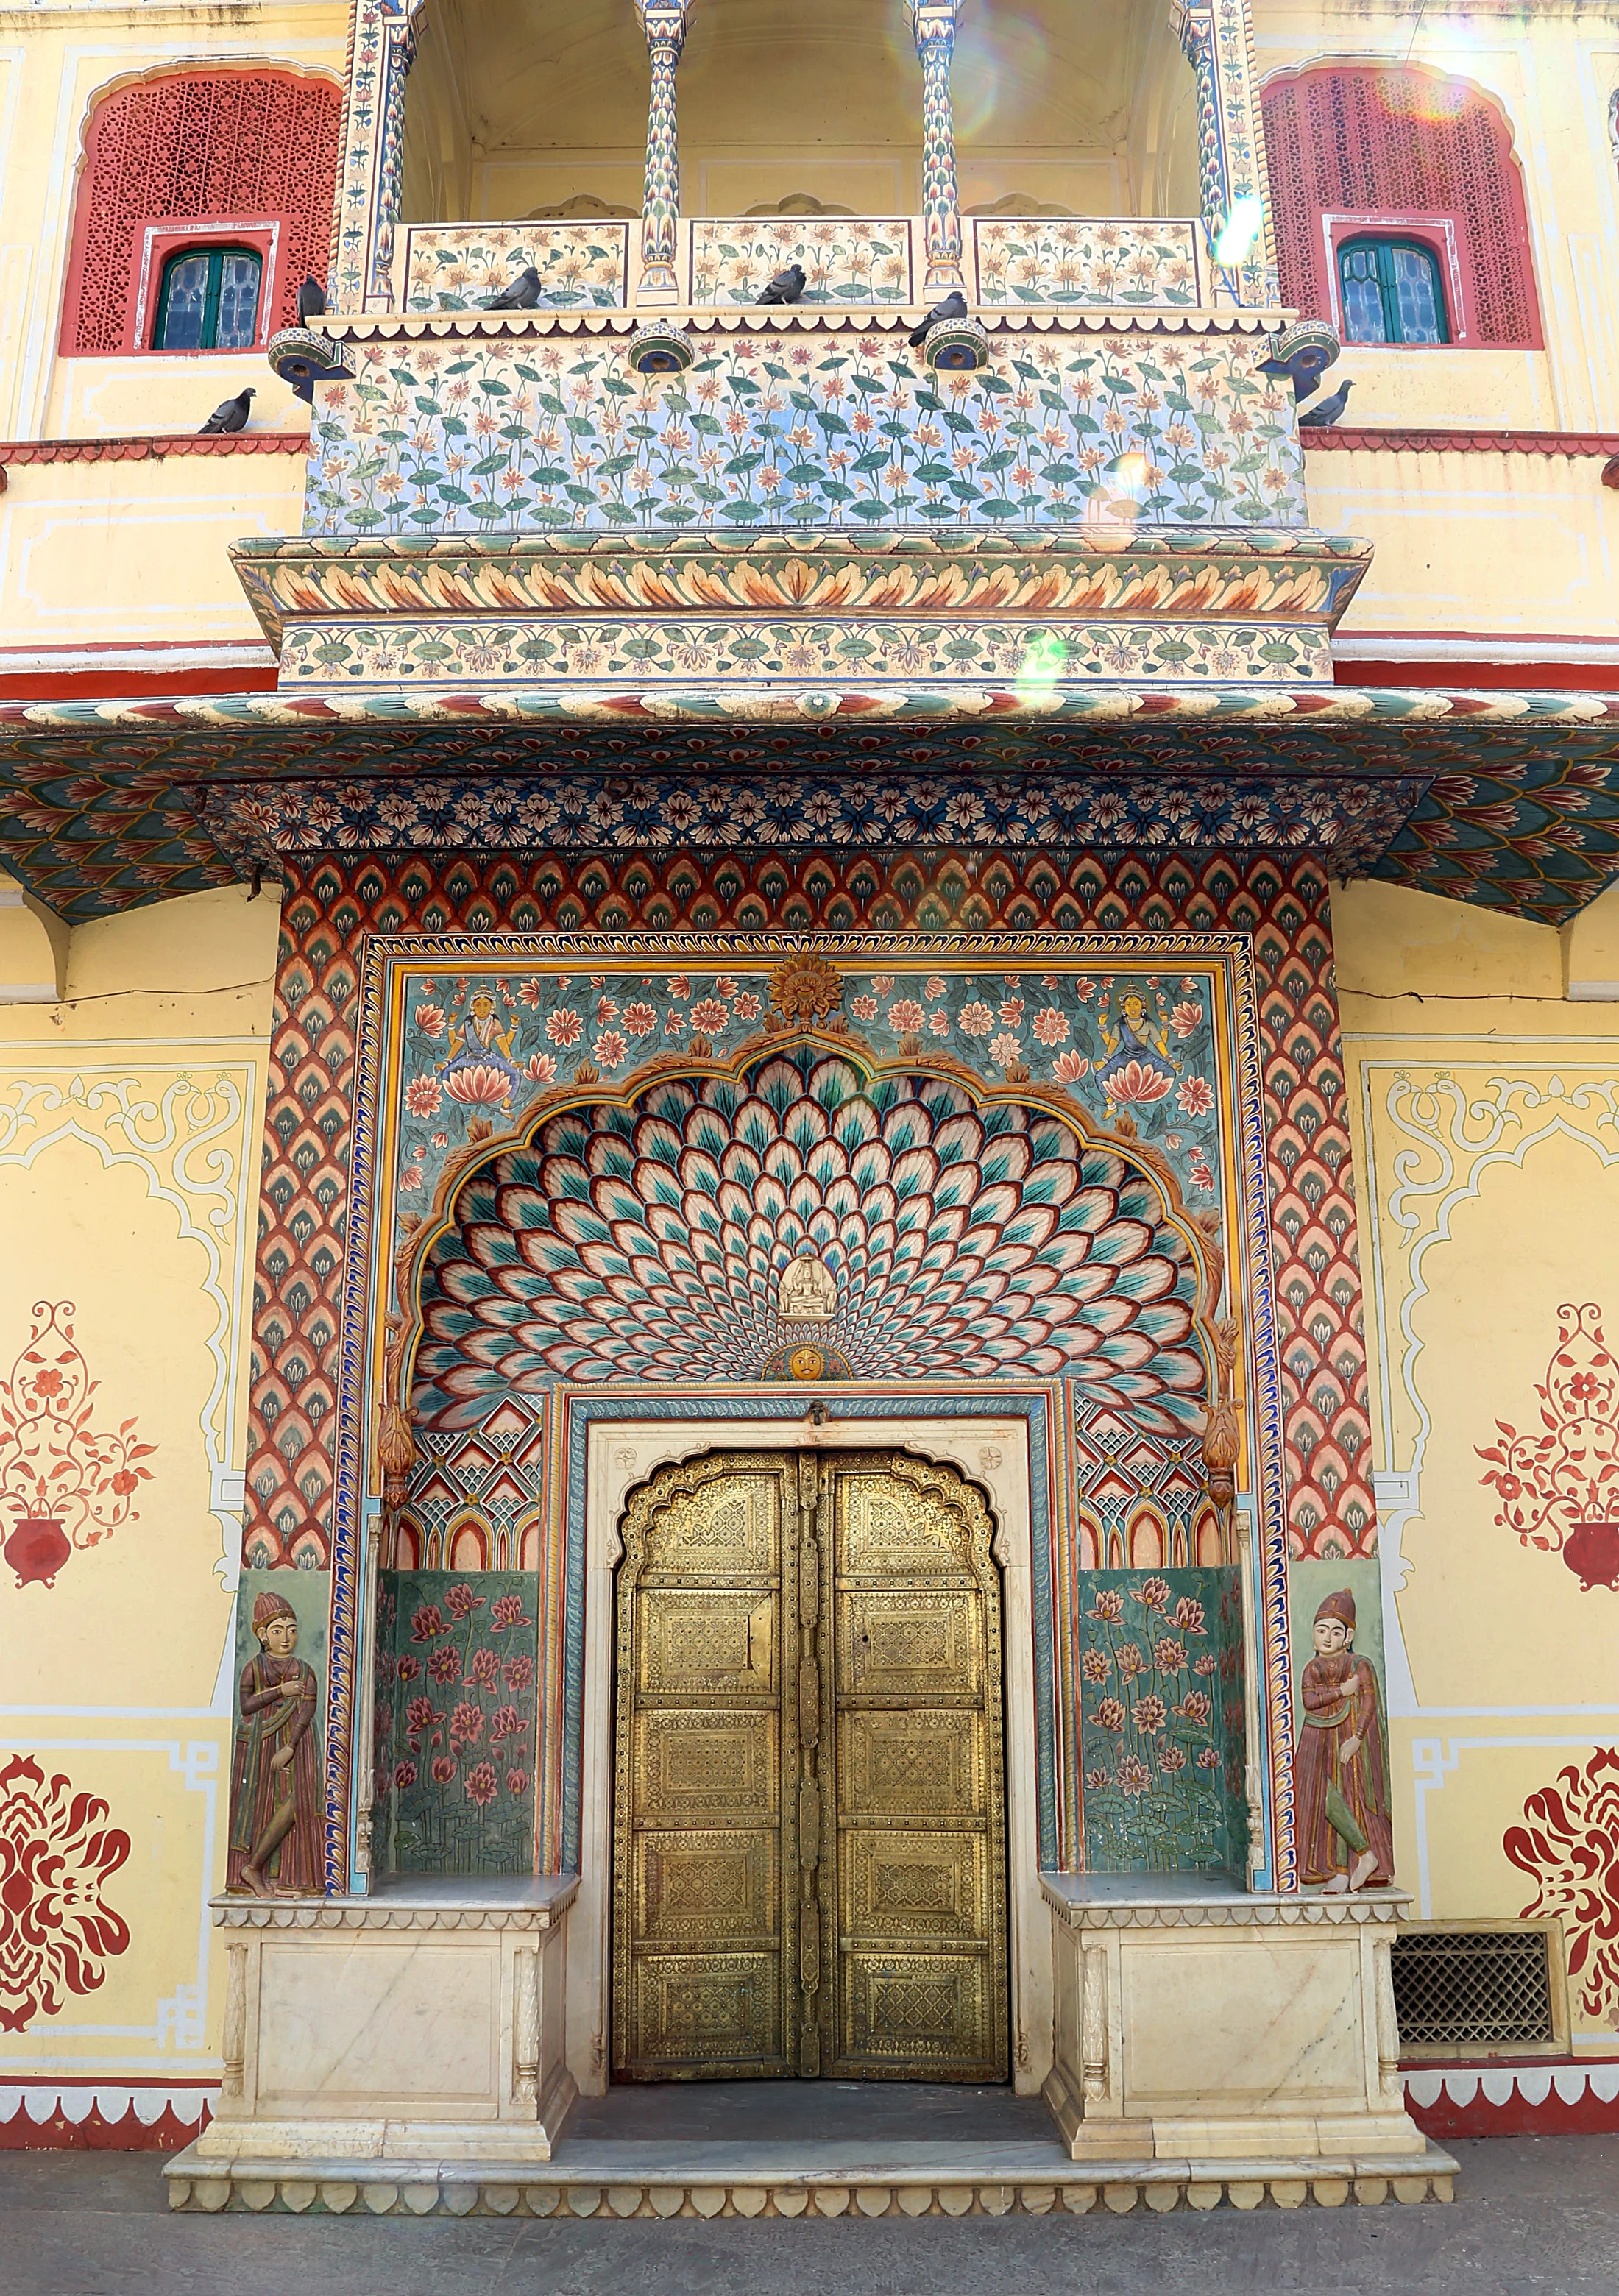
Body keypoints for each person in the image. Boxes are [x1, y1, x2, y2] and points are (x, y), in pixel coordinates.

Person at [1294, 1588, 1395, 1891]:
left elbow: (1368, 1703)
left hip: (1347, 1738)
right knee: (1316, 1795)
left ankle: (1355, 1864)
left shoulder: (1359, 1665)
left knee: (1350, 1796)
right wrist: (1341, 1691)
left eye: (1335, 1632)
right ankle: (1348, 1862)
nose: (1327, 1638)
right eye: (1321, 1630)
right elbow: (1310, 1702)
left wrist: (1356, 1739)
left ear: (1348, 1636)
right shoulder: (1312, 1668)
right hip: (1315, 1738)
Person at [227, 1590, 319, 1896]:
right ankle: (255, 1872)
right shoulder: (254, 1667)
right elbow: (246, 1705)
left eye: (292, 1630)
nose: (286, 1637)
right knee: (259, 1806)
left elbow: (308, 1707)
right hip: (258, 1744)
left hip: (295, 1745)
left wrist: (291, 1746)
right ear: (263, 1635)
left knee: (300, 1802)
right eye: (277, 1631)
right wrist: (281, 1691)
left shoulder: (305, 1669)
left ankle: (273, 1873)